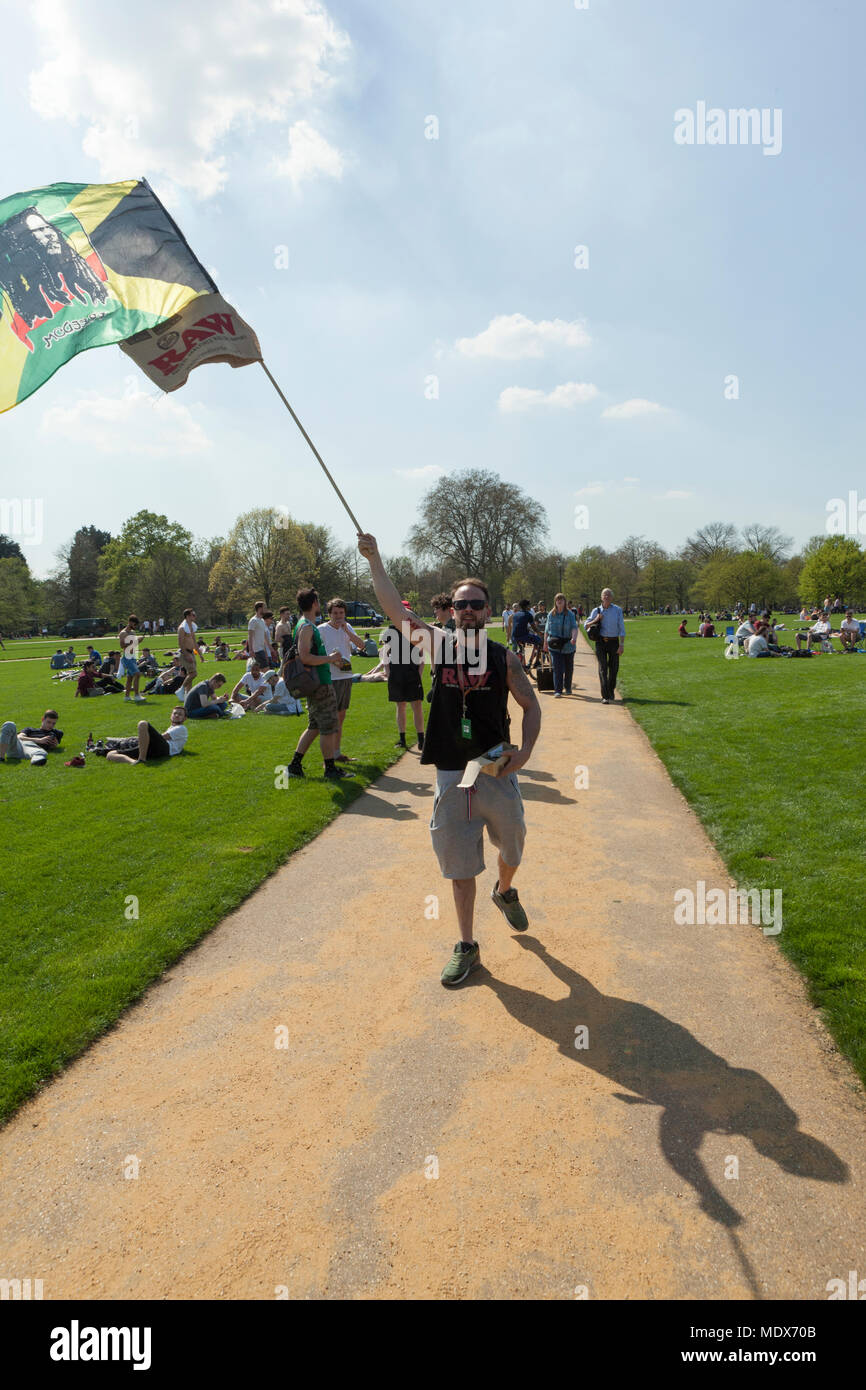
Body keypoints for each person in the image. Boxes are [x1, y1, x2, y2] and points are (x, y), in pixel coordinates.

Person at [359, 532, 541, 987]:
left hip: (495, 765)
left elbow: (531, 706)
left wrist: (527, 750)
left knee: (512, 844)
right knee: (459, 863)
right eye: (461, 605)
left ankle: (505, 890)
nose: (468, 611)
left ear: (489, 611)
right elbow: (395, 610)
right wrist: (375, 558)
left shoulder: (503, 658)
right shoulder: (439, 647)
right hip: (451, 772)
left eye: (476, 604)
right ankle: (467, 945)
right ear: (453, 611)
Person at [286, 588, 354, 782]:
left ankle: (295, 765)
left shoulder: (304, 624)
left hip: (316, 681)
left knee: (314, 726)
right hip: (320, 684)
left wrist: (330, 660)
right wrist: (330, 658)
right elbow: (305, 657)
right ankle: (330, 769)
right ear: (314, 603)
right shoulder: (307, 626)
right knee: (329, 727)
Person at [318, 597, 368, 761]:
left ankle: (337, 753)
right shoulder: (322, 630)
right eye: (335, 613)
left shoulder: (348, 627)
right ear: (329, 614)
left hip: (346, 675)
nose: (339, 616)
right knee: (330, 718)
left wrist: (347, 630)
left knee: (341, 716)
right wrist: (333, 660)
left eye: (341, 613)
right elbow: (317, 654)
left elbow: (361, 646)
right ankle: (329, 757)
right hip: (329, 677)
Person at [383, 600, 425, 750]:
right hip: (396, 674)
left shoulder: (414, 630)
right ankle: (402, 739)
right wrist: (388, 673)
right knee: (400, 706)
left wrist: (419, 673)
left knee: (417, 706)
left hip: (412, 674)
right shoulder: (390, 632)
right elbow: (385, 654)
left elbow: (422, 655)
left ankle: (421, 739)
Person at [105, 708, 189, 764]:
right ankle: (133, 761)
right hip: (154, 750)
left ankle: (142, 758)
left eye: (180, 714)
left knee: (143, 724)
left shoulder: (181, 728)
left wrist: (141, 738)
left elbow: (162, 738)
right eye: (175, 713)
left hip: (165, 749)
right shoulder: (172, 727)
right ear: (171, 715)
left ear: (185, 718)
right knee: (110, 754)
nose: (177, 715)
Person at [585, 589, 625, 703]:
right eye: (604, 595)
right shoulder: (596, 611)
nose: (606, 597)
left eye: (608, 595)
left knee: (614, 669)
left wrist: (621, 645)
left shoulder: (617, 610)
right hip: (601, 642)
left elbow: (621, 629)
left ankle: (611, 690)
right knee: (603, 668)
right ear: (601, 597)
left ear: (612, 597)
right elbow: (585, 625)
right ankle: (605, 696)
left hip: (614, 642)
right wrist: (596, 619)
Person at [543, 592, 578, 696]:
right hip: (554, 645)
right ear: (555, 602)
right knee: (557, 668)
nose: (559, 601)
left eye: (561, 599)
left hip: (568, 645)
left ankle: (567, 688)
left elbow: (574, 628)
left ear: (564, 602)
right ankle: (558, 690)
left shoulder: (570, 614)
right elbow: (546, 630)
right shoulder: (551, 614)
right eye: (558, 599)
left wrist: (574, 638)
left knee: (568, 668)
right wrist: (545, 643)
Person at [510, 599, 543, 670]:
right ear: (527, 606)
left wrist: (527, 629)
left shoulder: (515, 615)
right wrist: (540, 633)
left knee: (521, 649)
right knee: (539, 641)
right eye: (529, 606)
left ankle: (523, 665)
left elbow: (518, 626)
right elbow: (534, 628)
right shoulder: (528, 615)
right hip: (523, 636)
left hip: (514, 636)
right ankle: (535, 662)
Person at [117, 615, 144, 702]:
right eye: (135, 624)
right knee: (137, 674)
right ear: (130, 623)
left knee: (130, 678)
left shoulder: (132, 632)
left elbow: (134, 645)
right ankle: (136, 695)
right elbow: (122, 646)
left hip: (132, 657)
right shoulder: (123, 633)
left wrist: (138, 641)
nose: (135, 627)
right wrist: (135, 641)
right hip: (127, 657)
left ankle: (127, 696)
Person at [177, 609, 200, 694]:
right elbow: (180, 643)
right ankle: (181, 690)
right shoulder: (182, 628)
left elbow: (194, 641)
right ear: (187, 616)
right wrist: (186, 655)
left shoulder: (192, 626)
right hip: (185, 653)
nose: (195, 616)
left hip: (191, 652)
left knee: (190, 674)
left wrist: (200, 655)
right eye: (193, 615)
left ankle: (187, 695)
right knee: (193, 673)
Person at [248, 602, 275, 668]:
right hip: (256, 650)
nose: (266, 609)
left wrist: (269, 649)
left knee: (263, 670)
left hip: (262, 649)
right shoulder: (253, 620)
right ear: (260, 609)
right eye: (265, 608)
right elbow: (250, 636)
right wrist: (251, 650)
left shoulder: (262, 620)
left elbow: (264, 637)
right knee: (265, 669)